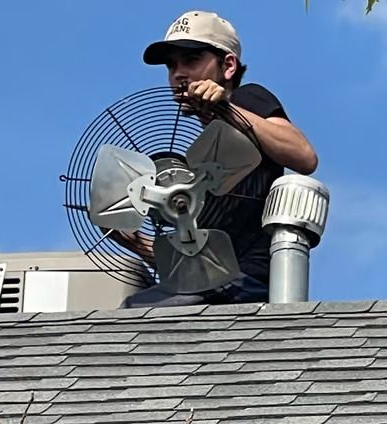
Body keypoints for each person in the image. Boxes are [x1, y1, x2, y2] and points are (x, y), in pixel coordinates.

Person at [119, 10, 318, 308]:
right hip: (215, 286)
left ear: (228, 66)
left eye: (191, 60)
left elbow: (304, 156)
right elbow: (196, 263)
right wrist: (137, 243)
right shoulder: (195, 166)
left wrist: (227, 108)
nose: (178, 73)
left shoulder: (247, 99)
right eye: (171, 65)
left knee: (139, 313)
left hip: (247, 282)